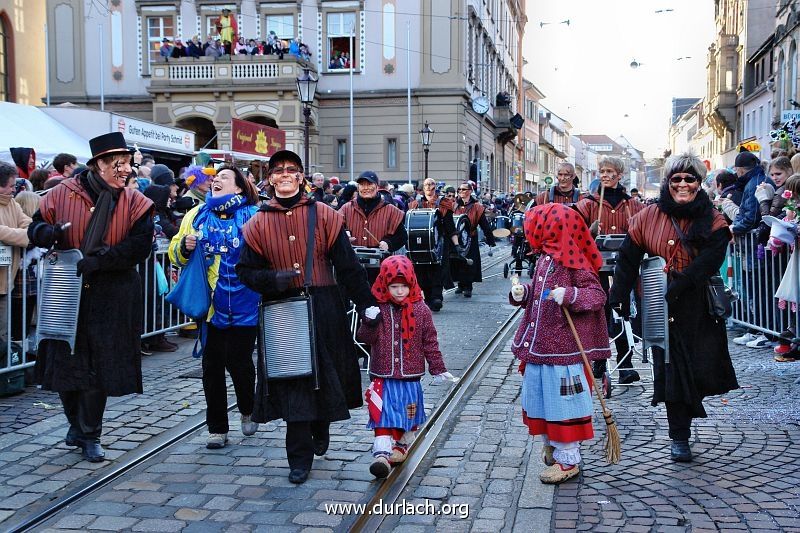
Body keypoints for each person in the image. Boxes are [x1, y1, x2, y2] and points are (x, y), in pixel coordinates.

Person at [236, 149, 377, 484]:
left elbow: (348, 265)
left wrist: (367, 302)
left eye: (292, 170)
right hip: (282, 311)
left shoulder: (326, 215)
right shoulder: (256, 223)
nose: (285, 175)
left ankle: (321, 424)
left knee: (323, 378)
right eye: (278, 170)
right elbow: (244, 271)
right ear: (269, 178)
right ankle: (298, 458)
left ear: (301, 176)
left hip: (325, 305)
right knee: (293, 382)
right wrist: (271, 279)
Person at [28, 132, 154, 463]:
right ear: (98, 164)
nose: (125, 170)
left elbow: (140, 246)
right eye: (119, 164)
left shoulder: (136, 201)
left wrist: (101, 260)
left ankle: (91, 433)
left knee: (99, 368)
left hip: (112, 292)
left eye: (128, 163)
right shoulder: (59, 194)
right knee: (66, 364)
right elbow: (36, 228)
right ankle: (75, 424)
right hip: (67, 286)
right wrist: (48, 233)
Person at [610, 152, 738, 462]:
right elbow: (628, 258)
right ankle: (678, 436)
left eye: (689, 178)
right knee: (670, 368)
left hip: (697, 306)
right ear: (668, 182)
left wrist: (681, 282)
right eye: (676, 178)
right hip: (657, 304)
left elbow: (712, 259)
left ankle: (686, 416)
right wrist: (618, 295)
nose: (682, 184)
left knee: (697, 367)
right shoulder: (647, 217)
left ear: (698, 182)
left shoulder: (714, 218)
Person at [509, 203, 611, 484]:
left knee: (563, 404)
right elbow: (542, 294)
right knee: (544, 400)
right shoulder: (545, 257)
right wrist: (524, 292)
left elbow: (596, 295)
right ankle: (554, 445)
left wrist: (570, 294)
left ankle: (569, 459)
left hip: (564, 351)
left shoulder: (573, 259)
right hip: (541, 347)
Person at [169, 165, 261, 449]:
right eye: (215, 178)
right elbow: (174, 254)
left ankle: (248, 408)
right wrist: (184, 246)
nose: (216, 181)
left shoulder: (254, 215)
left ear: (238, 188)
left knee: (241, 364)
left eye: (224, 178)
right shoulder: (196, 215)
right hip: (210, 305)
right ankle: (217, 429)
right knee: (211, 366)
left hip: (247, 302)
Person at [358, 256, 452, 478]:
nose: (399, 291)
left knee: (407, 415)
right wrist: (369, 322)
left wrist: (437, 367)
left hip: (410, 377)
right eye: (394, 287)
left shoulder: (421, 310)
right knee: (381, 414)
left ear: (411, 284)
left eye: (403, 286)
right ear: (385, 285)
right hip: (383, 375)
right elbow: (365, 338)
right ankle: (381, 454)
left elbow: (429, 341)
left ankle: (401, 444)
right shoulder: (378, 308)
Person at [573, 155, 644, 384]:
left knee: (623, 312)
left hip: (625, 268)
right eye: (602, 171)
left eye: (609, 171)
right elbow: (572, 228)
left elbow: (646, 228)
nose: (604, 175)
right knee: (600, 312)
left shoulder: (633, 205)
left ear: (619, 175)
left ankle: (626, 364)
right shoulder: (589, 203)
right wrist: (589, 231)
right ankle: (600, 360)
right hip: (597, 267)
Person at [339, 170, 407, 283]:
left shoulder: (390, 210)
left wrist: (389, 243)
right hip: (353, 267)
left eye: (369, 184)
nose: (365, 188)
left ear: (377, 186)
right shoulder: (346, 208)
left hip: (381, 269)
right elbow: (335, 231)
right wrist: (345, 236)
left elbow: (402, 236)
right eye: (362, 185)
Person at [407, 178, 461, 312]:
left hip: (440, 241)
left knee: (438, 269)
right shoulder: (415, 204)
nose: (429, 187)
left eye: (431, 184)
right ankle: (427, 298)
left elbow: (450, 226)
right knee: (421, 271)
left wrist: (457, 245)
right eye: (426, 185)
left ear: (435, 187)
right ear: (422, 188)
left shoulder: (444, 204)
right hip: (420, 243)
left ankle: (437, 297)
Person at [0, 163, 32, 343]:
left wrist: (6, 234)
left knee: (3, 337)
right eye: (11, 186)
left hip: (6, 283)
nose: (14, 190)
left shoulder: (12, 203)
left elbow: (30, 230)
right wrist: (19, 235)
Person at [452, 182, 495, 297]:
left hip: (471, 236)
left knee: (470, 262)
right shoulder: (454, 205)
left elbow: (484, 224)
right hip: (457, 238)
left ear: (470, 191)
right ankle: (460, 284)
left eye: (464, 189)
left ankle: (468, 286)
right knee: (458, 261)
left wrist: (490, 239)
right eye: (459, 189)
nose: (461, 191)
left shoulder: (477, 207)